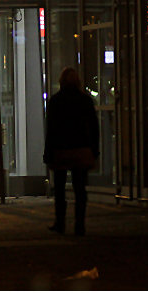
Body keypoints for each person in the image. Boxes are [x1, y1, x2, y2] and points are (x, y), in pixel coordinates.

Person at [43, 67, 99, 236]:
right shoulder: (85, 101)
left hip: (61, 149)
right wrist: (93, 150)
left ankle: (60, 222)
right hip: (81, 149)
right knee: (80, 188)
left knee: (59, 188)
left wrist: (49, 152)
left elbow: (51, 129)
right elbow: (94, 128)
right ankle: (79, 225)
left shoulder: (55, 101)